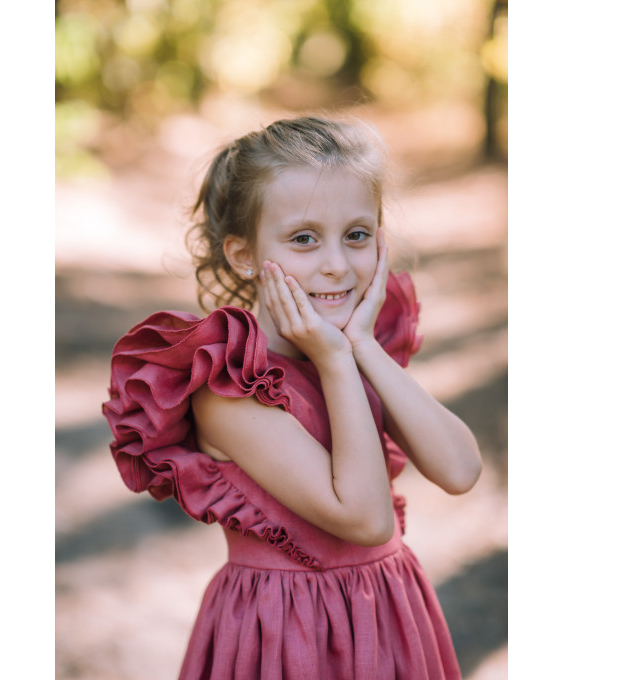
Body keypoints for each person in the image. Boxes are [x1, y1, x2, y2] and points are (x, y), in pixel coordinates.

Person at [103, 116, 482, 680]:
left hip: (389, 614)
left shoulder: (353, 347)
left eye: (356, 235)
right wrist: (335, 360)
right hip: (288, 633)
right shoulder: (227, 386)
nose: (336, 263)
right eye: (304, 238)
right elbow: (366, 519)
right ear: (244, 255)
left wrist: (361, 348)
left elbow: (459, 468)